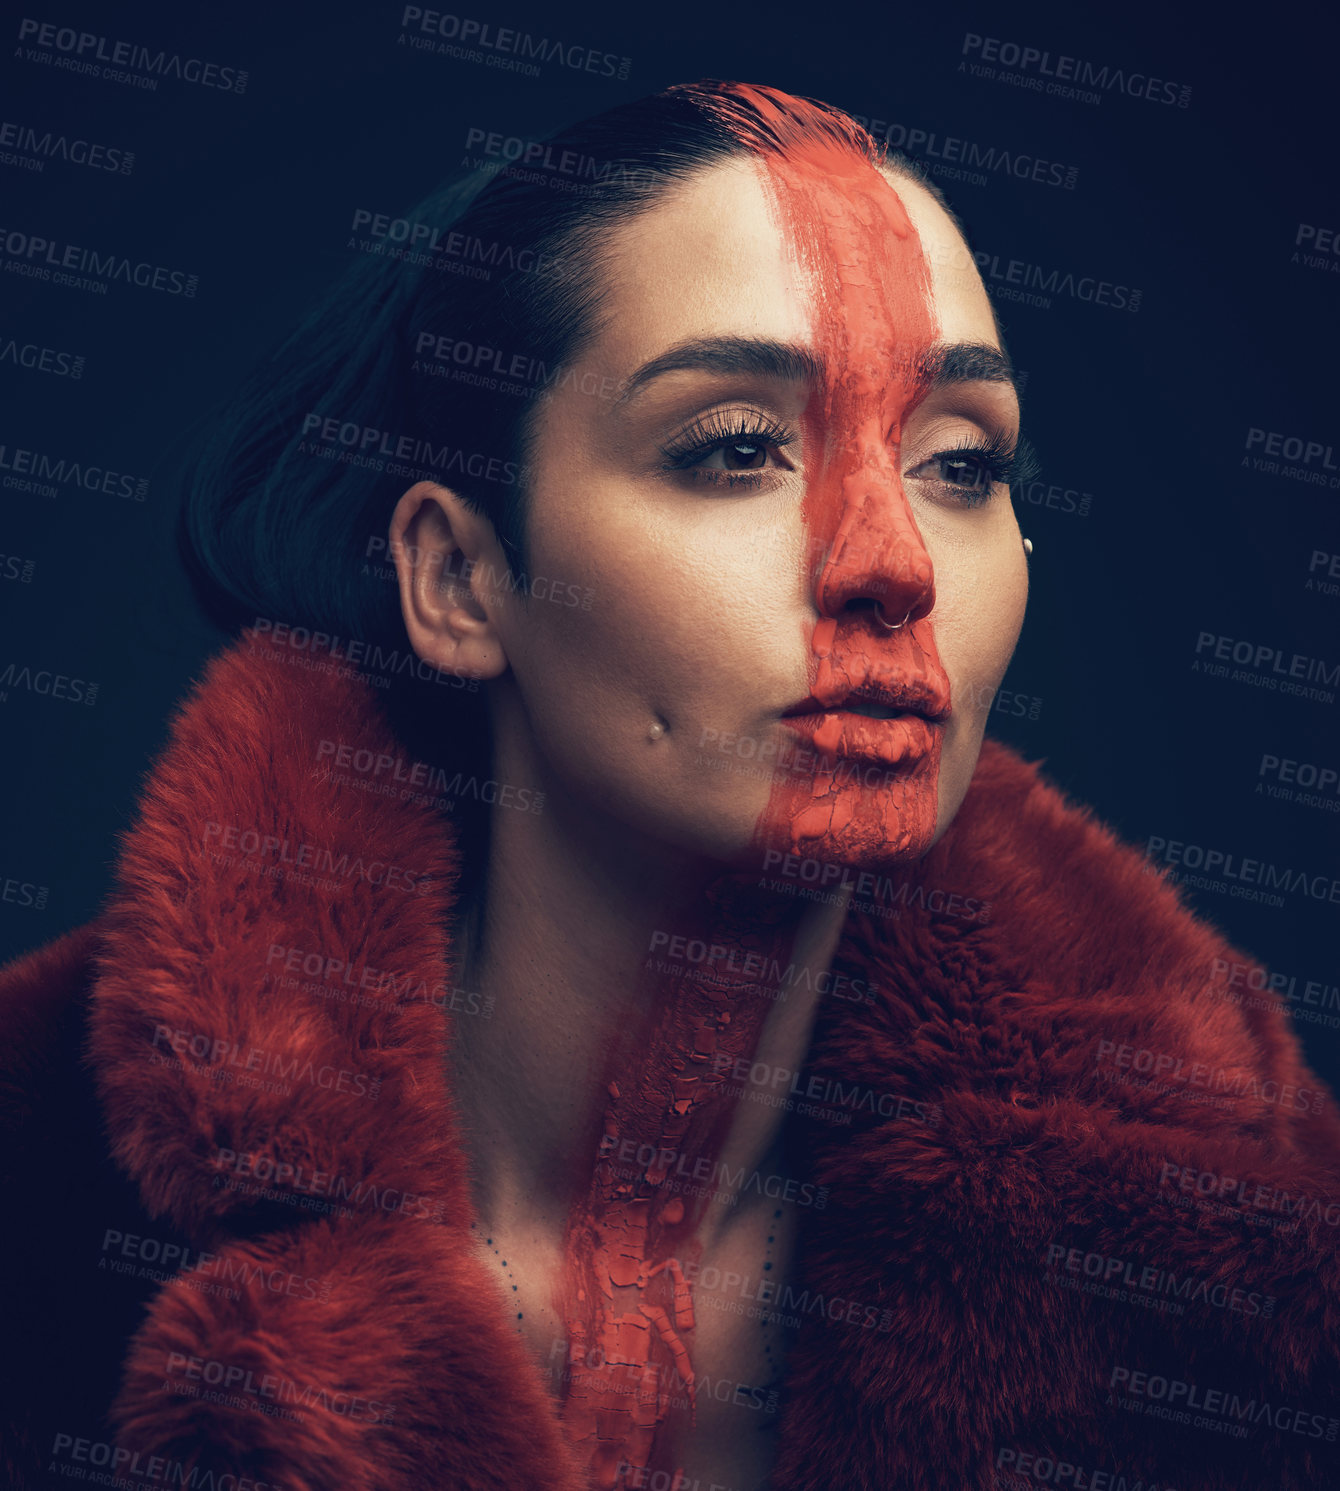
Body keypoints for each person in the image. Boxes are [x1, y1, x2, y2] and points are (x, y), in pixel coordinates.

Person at [3, 79, 1338, 1491]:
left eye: (961, 462)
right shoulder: (38, 1174)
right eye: (737, 449)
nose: (891, 564)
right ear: (458, 579)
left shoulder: (1245, 1266)